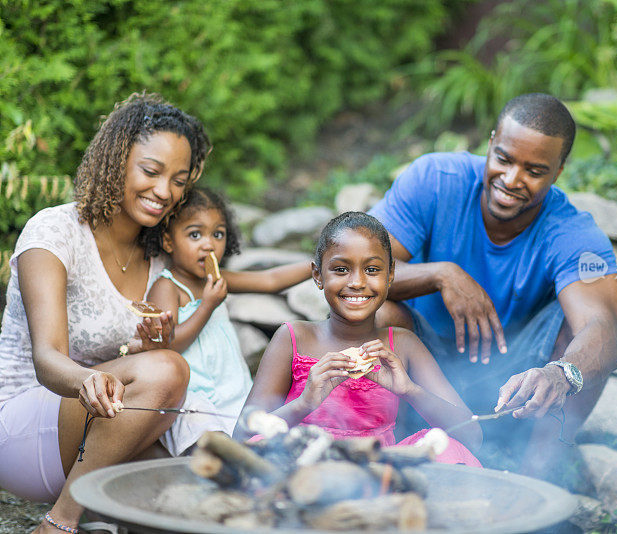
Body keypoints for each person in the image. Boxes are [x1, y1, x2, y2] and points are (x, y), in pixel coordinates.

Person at [369, 93, 617, 477]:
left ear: (558, 171)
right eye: (504, 159)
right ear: (490, 143)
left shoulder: (571, 231)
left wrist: (562, 373)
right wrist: (442, 274)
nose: (511, 180)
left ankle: (538, 478)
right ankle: (383, 446)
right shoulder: (436, 180)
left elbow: (604, 329)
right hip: (423, 367)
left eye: (534, 171)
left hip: (517, 385)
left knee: (580, 334)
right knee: (379, 312)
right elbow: (358, 272)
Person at [0, 93, 212, 533]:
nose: (164, 192)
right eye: (151, 171)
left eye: (178, 180)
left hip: (103, 428)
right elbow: (48, 358)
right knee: (169, 371)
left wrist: (148, 346)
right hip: (23, 426)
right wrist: (92, 378)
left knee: (184, 499)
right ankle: (58, 523)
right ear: (116, 159)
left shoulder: (156, 259)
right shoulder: (54, 231)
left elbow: (133, 364)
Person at [237, 212, 482, 465]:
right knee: (258, 447)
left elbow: (471, 435)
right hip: (302, 465)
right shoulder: (294, 338)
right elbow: (243, 435)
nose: (356, 282)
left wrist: (408, 390)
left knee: (446, 448)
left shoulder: (404, 344)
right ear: (318, 275)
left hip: (378, 471)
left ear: (390, 275)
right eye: (341, 269)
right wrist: (304, 403)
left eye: (372, 269)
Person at [145, 187, 310, 441]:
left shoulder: (218, 278)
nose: (209, 244)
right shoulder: (166, 286)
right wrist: (207, 305)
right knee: (214, 453)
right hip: (194, 402)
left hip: (232, 392)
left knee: (259, 441)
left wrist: (316, 265)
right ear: (169, 241)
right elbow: (170, 345)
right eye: (195, 234)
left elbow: (270, 280)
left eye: (218, 234)